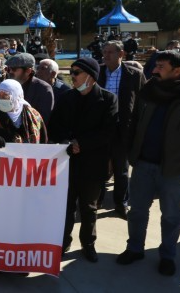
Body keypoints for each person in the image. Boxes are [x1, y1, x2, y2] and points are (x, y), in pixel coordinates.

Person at [116, 51, 180, 276]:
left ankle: (168, 256)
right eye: (155, 66)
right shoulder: (149, 91)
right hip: (143, 164)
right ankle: (135, 249)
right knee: (137, 211)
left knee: (171, 216)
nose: (154, 70)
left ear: (177, 70)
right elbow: (134, 121)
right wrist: (131, 151)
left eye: (161, 67)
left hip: (173, 170)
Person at [49, 58, 118, 263]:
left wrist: (82, 143)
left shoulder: (108, 99)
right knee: (66, 206)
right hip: (67, 162)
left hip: (93, 163)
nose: (73, 76)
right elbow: (54, 126)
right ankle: (63, 242)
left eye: (77, 72)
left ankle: (88, 243)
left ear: (91, 75)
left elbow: (109, 131)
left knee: (89, 207)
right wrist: (66, 141)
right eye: (71, 72)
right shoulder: (67, 97)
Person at [98, 41, 146, 219]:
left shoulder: (134, 74)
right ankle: (97, 200)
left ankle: (121, 203)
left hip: (124, 129)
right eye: (104, 51)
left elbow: (143, 100)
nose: (106, 55)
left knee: (121, 170)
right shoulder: (98, 72)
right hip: (101, 128)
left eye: (110, 52)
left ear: (121, 54)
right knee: (99, 167)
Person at [0, 79, 47, 145]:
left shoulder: (34, 115)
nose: (1, 99)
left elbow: (43, 143)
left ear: (17, 97)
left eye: (5, 96)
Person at [5, 53, 54, 123]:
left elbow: (41, 120)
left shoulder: (43, 89)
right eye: (8, 69)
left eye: (14, 69)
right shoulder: (7, 85)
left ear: (28, 71)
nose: (10, 72)